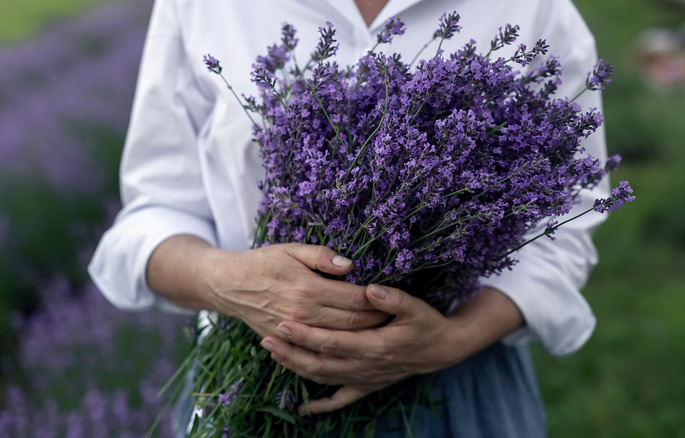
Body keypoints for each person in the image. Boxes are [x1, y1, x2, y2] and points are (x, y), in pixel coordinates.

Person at [89, 0, 610, 436]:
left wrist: (453, 339)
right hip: (250, 383)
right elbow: (154, 215)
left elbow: (562, 230)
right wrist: (230, 282)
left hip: (452, 386)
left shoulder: (535, 8)